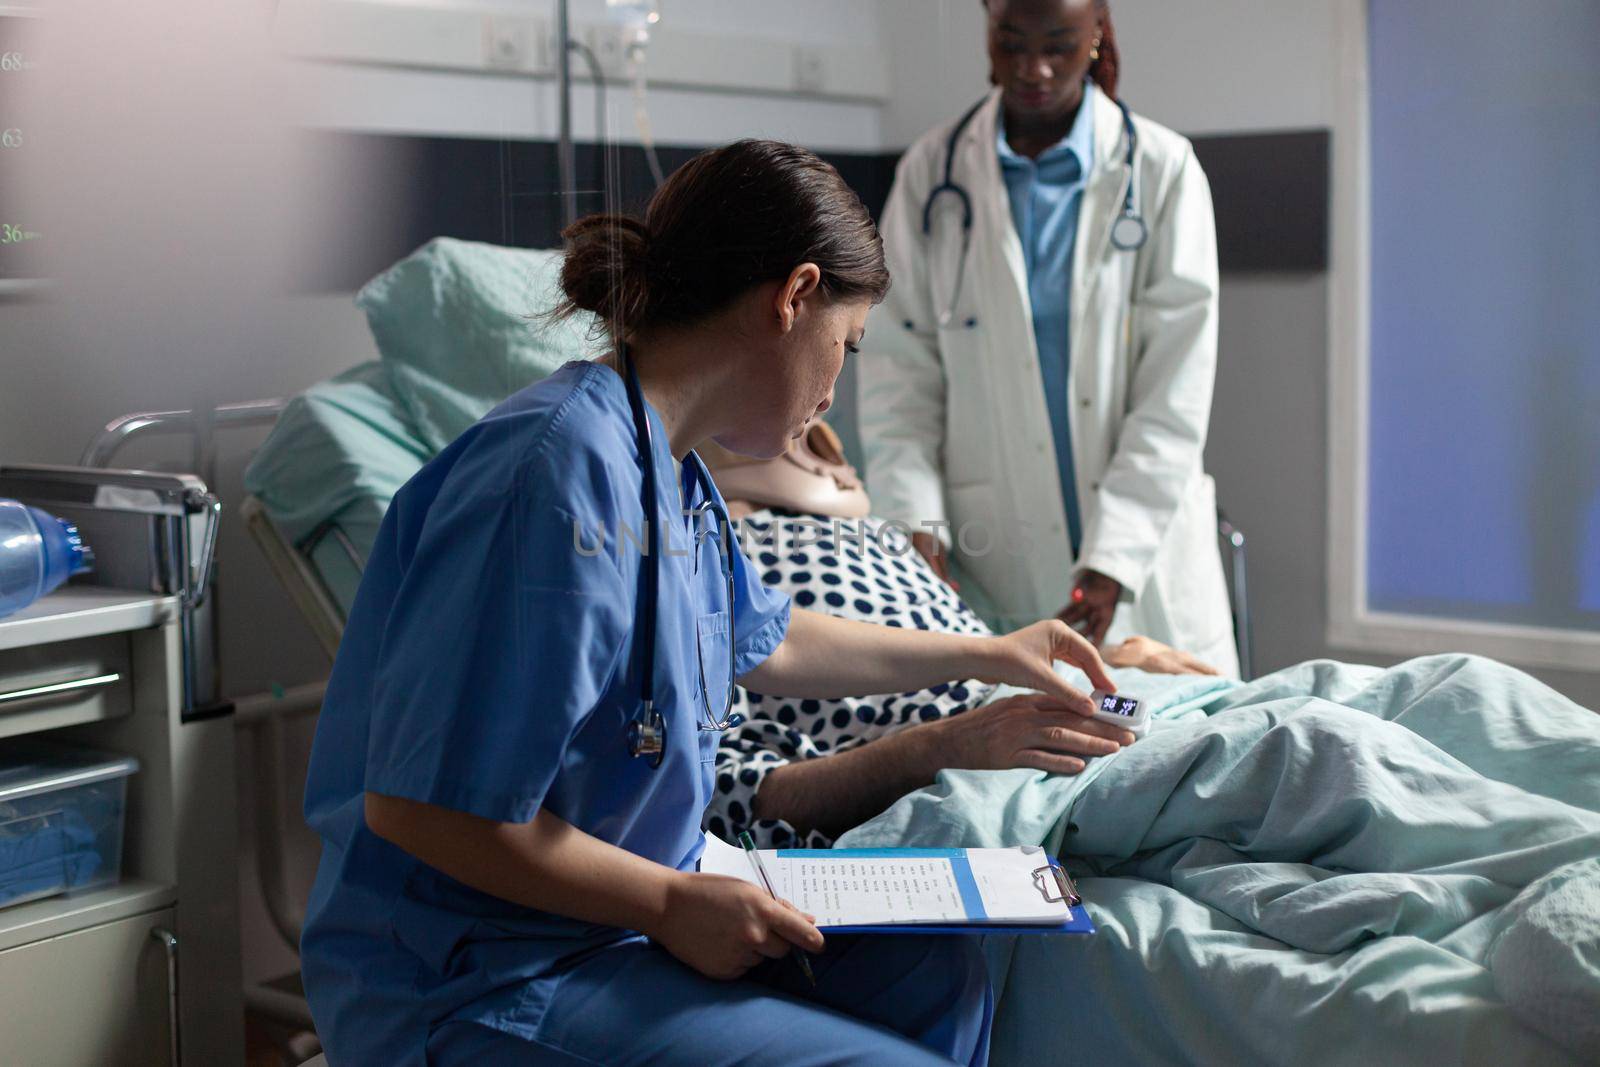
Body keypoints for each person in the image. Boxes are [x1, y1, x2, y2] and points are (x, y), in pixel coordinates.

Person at [298, 139, 1120, 1067]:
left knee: (936, 968)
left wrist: (986, 653)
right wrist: (666, 903)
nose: (832, 390)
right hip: (476, 976)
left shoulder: (674, 473)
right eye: (844, 347)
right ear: (793, 297)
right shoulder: (549, 476)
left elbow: (770, 642)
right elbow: (419, 812)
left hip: (613, 928)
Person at [858, 0, 1239, 675]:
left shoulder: (1162, 169)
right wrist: (916, 525)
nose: (1033, 68)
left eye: (1059, 44)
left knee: (1179, 754)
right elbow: (898, 379)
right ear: (987, 30)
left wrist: (1115, 555)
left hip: (1144, 567)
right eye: (1011, 42)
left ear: (1097, 34)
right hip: (995, 565)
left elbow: (1174, 394)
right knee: (1037, 759)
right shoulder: (930, 175)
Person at [695, 423, 1216, 848]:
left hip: (1057, 704)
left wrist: (1101, 659)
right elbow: (731, 798)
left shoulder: (873, 536)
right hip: (998, 760)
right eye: (846, 343)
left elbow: (977, 653)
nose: (827, 405)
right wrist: (944, 744)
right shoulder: (695, 571)